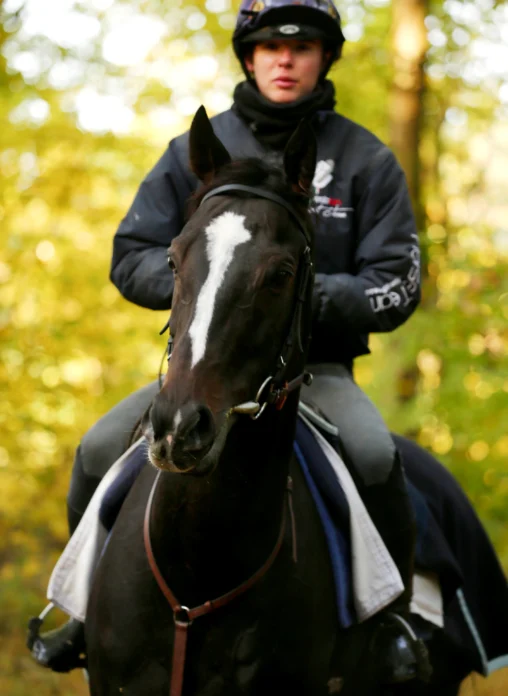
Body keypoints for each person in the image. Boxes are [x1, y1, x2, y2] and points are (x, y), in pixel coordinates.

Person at [29, 0, 425, 683]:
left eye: (302, 48)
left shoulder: (366, 159)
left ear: (325, 58)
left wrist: (305, 295)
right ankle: (86, 614)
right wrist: (214, 284)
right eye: (270, 46)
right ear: (249, 56)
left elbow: (398, 282)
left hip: (316, 367)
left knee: (374, 453)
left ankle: (387, 624)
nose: (285, 59)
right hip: (202, 362)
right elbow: (131, 255)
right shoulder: (198, 151)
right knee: (97, 448)